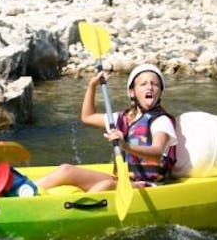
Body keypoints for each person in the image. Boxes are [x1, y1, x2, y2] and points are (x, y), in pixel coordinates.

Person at [36, 63, 177, 192]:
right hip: (124, 180)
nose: (149, 87)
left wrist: (125, 146)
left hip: (148, 185)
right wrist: (92, 86)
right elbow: (88, 117)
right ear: (132, 92)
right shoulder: (122, 118)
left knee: (105, 186)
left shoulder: (161, 120)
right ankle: (25, 191)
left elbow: (157, 152)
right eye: (143, 84)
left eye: (155, 84)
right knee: (66, 170)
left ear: (160, 92)